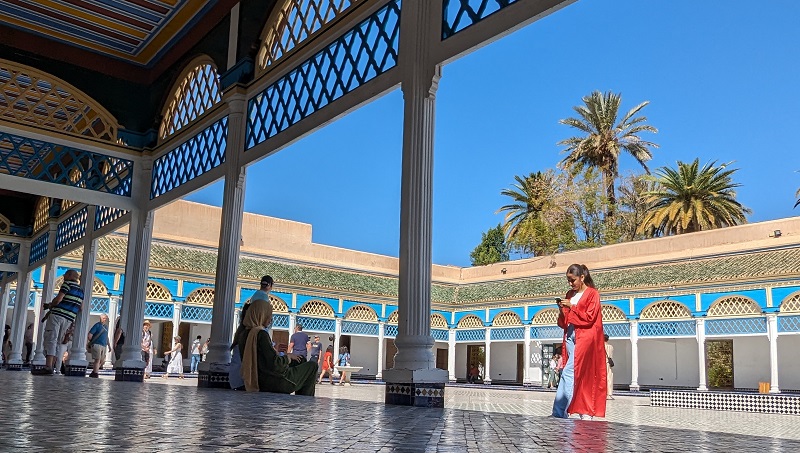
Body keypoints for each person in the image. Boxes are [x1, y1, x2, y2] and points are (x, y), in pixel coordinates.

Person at [552, 264, 607, 420]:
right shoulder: (570, 294)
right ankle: (584, 412)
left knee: (569, 372)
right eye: (568, 280)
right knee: (578, 374)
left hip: (586, 337)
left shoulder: (592, 294)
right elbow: (564, 322)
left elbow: (590, 317)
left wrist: (573, 306)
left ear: (582, 277)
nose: (570, 284)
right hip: (570, 335)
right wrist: (562, 310)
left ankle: (559, 412)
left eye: (573, 280)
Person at [235, 299, 317, 395]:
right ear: (262, 315)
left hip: (260, 379)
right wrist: (288, 358)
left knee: (300, 360)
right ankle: (305, 401)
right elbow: (274, 364)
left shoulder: (243, 334)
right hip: (274, 381)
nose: (270, 319)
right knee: (312, 366)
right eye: (268, 315)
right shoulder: (260, 334)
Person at [39, 269, 84, 375]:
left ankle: (48, 366)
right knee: (59, 342)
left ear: (69, 275)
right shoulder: (81, 291)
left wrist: (50, 305)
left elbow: (58, 300)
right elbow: (81, 307)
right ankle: (53, 366)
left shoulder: (66, 284)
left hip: (57, 316)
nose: (63, 276)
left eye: (65, 274)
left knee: (51, 339)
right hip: (69, 318)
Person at [605, 334, 614, 400]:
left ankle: (605, 393)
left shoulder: (601, 346)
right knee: (609, 378)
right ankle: (609, 393)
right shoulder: (610, 347)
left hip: (602, 363)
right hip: (608, 363)